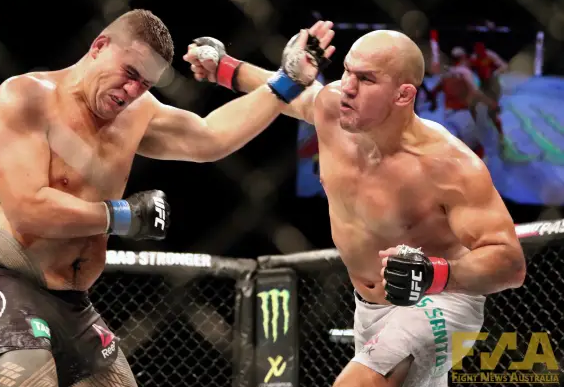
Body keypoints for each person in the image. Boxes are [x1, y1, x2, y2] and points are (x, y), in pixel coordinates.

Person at [0, 9, 334, 386]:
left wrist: (287, 81)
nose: (132, 91)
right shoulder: (26, 96)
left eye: (145, 84)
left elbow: (210, 137)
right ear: (99, 46)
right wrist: (122, 215)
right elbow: (27, 210)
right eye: (129, 73)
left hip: (73, 304)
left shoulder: (137, 113)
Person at [184, 25, 526, 387]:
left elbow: (510, 263)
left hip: (439, 301)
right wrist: (224, 68)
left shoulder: (449, 166)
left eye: (365, 79)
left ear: (403, 94)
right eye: (347, 70)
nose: (347, 86)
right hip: (368, 308)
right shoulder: (333, 108)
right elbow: (291, 95)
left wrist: (436, 273)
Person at [431, 47, 504, 157]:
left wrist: (434, 103)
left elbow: (434, 92)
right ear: (463, 58)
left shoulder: (446, 74)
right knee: (476, 149)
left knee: (458, 148)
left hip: (447, 116)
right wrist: (491, 103)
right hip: (463, 115)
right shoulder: (465, 73)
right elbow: (476, 92)